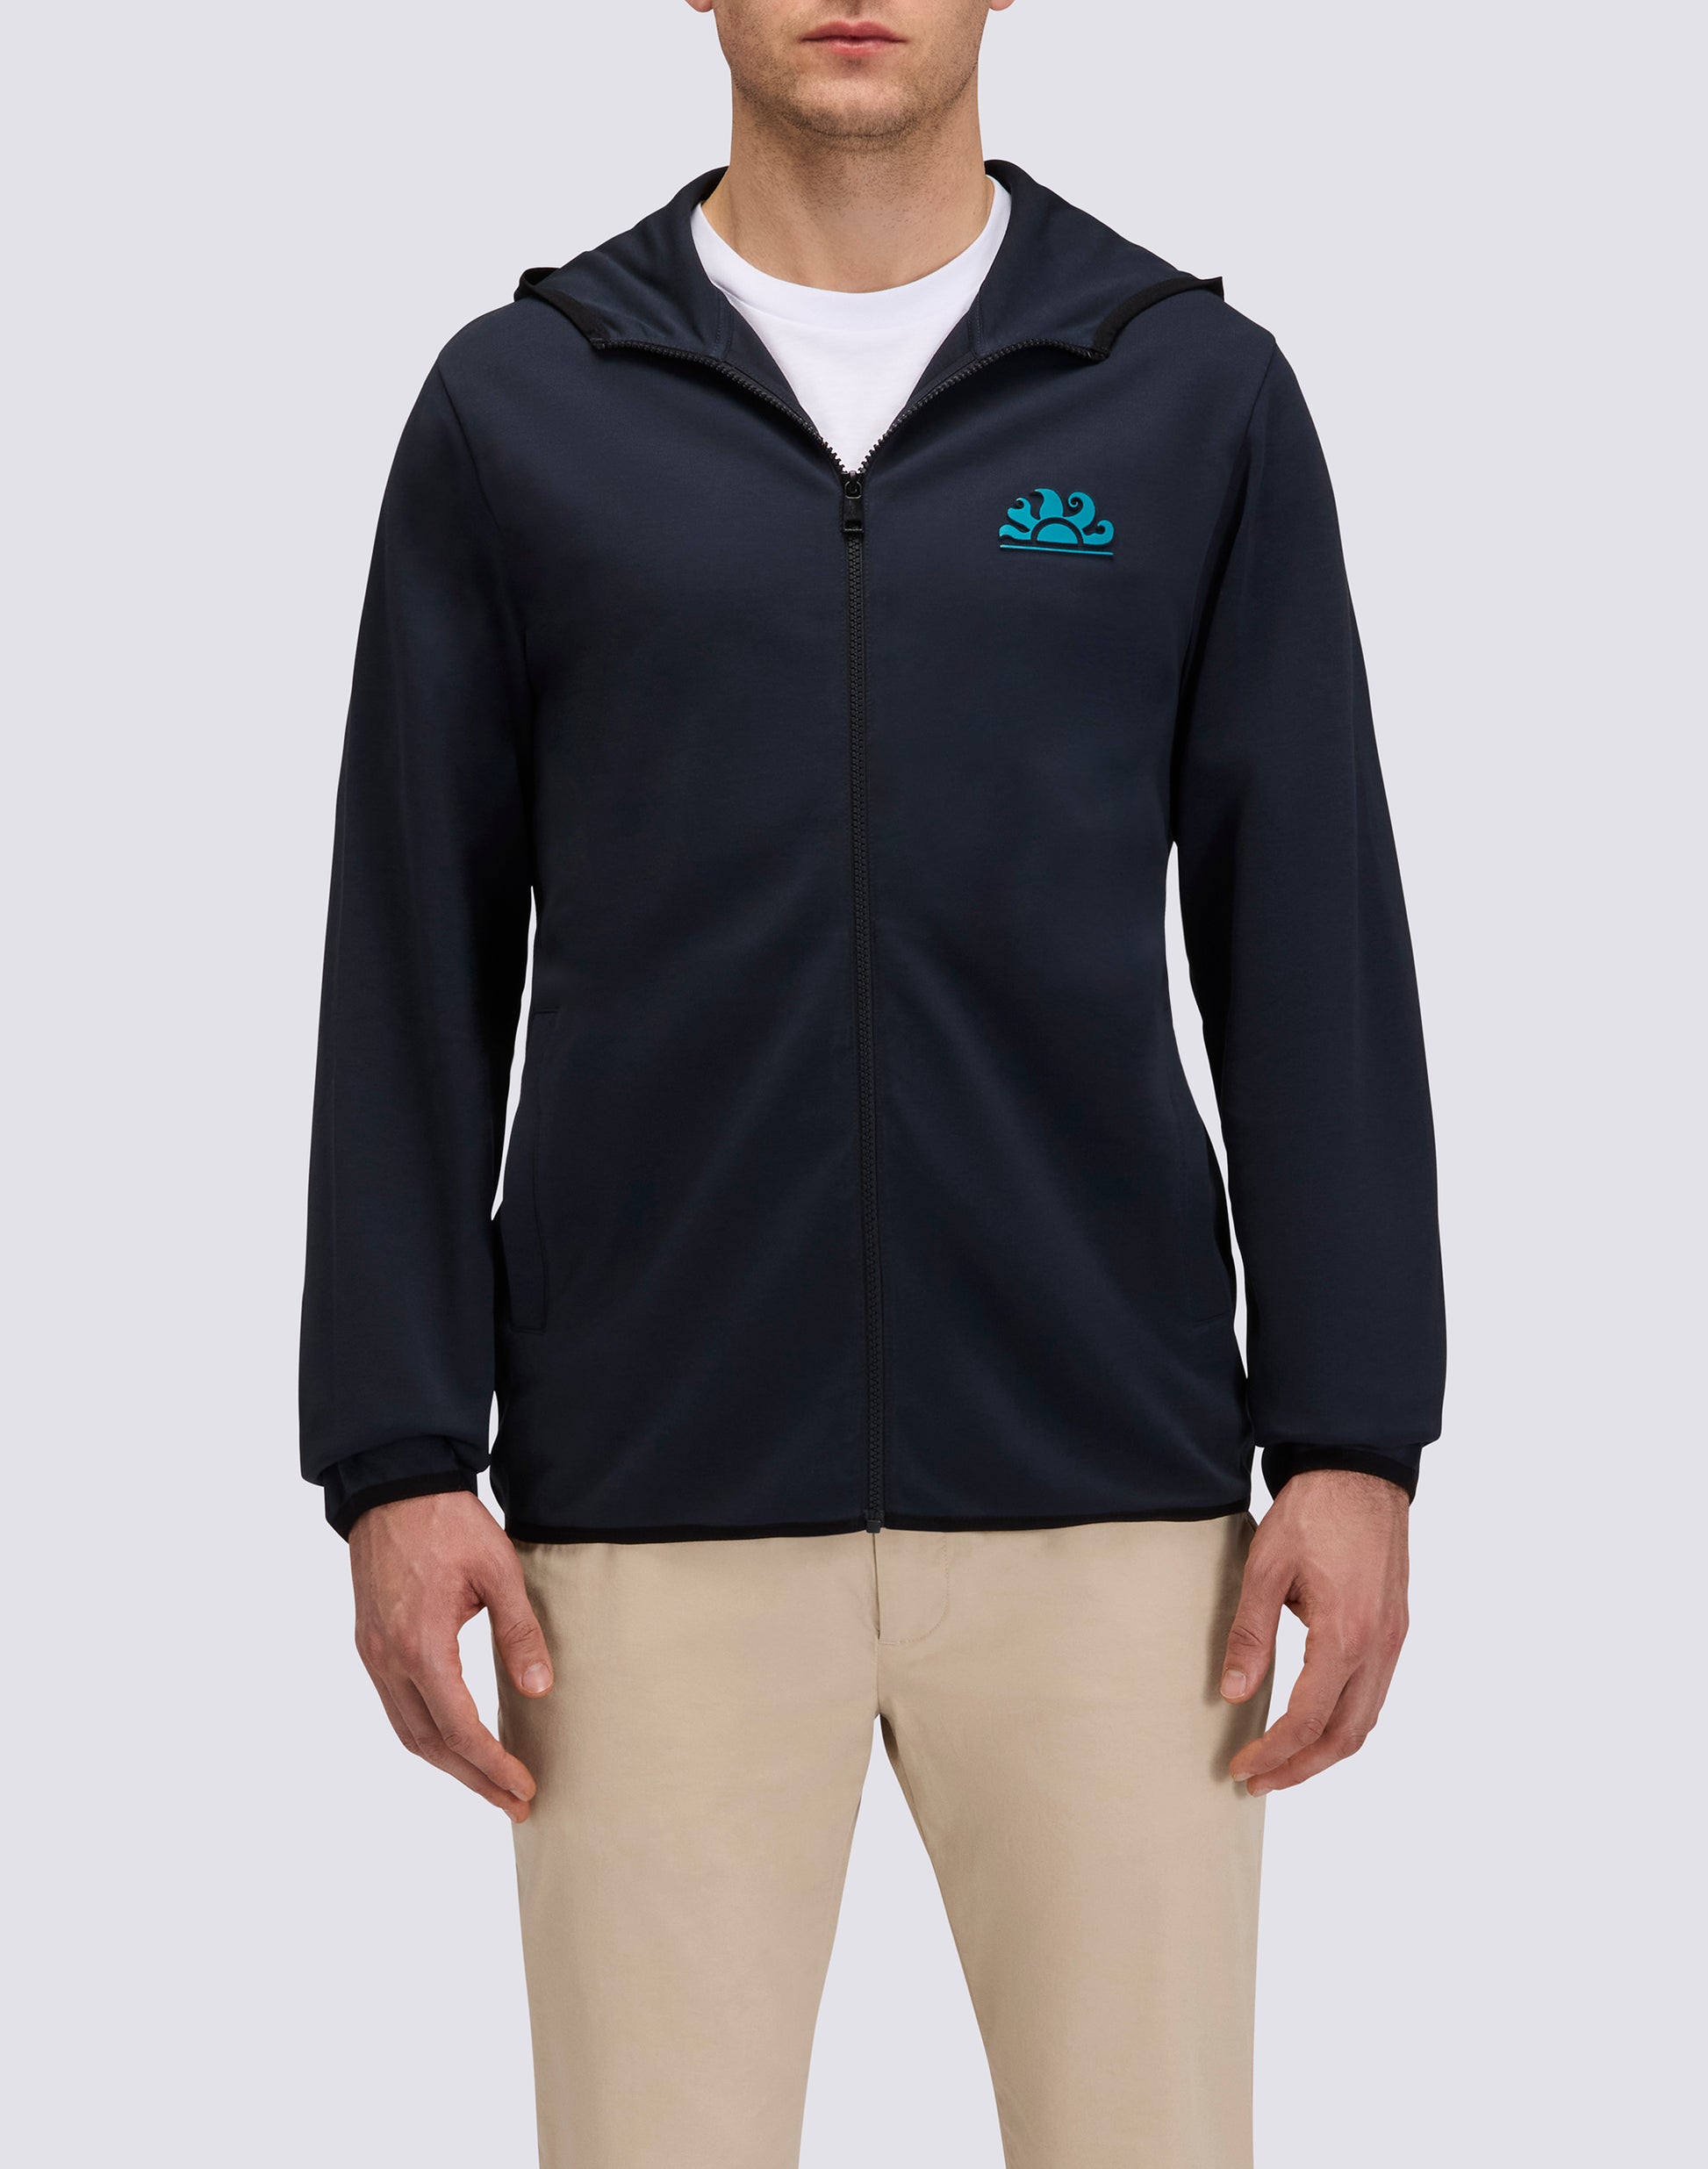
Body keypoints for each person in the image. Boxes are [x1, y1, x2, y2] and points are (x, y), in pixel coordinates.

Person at [300, 4, 1445, 2163]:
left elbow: (1308, 937)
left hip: (1116, 1511)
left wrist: (1353, 1436)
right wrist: (394, 1455)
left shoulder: (1185, 396)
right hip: (639, 1512)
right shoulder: (519, 410)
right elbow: (409, 962)